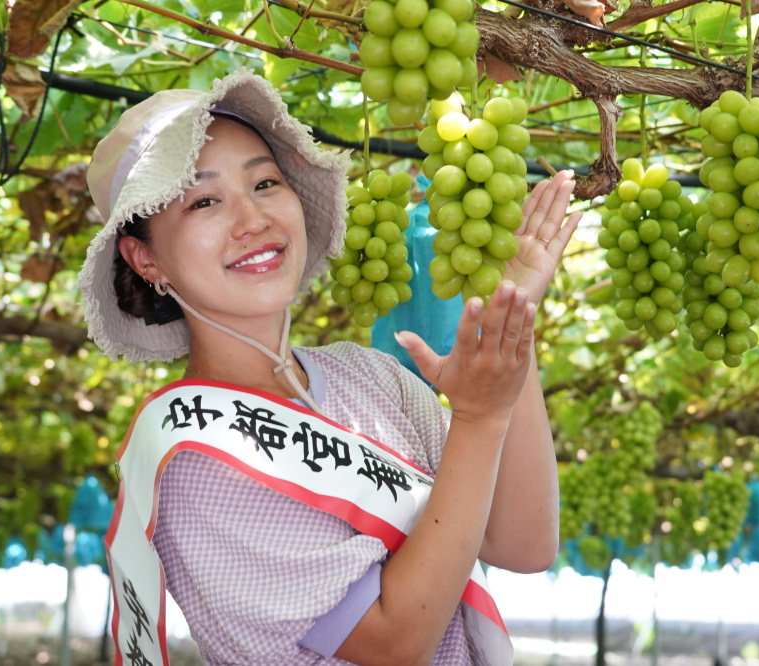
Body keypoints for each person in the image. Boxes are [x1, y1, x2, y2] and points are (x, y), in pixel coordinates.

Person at [79, 68, 582, 666]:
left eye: (264, 183)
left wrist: (509, 317)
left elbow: (522, 543)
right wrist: (477, 416)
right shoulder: (192, 458)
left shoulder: (369, 377)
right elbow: (393, 643)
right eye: (205, 200)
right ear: (145, 258)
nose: (253, 219)